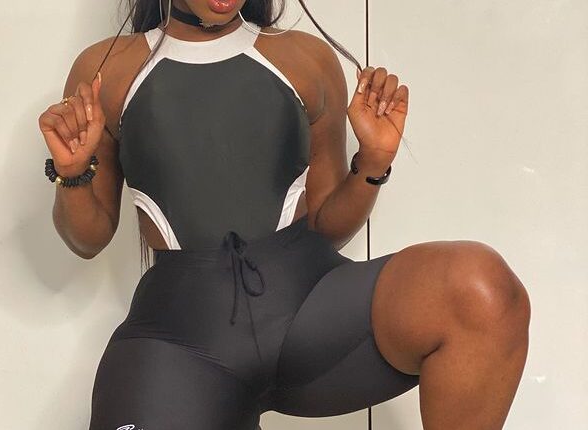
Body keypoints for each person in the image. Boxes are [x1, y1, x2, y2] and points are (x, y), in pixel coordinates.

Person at [38, 1, 532, 429]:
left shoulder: (304, 58)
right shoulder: (108, 69)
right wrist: (73, 172)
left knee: (481, 290)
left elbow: (328, 226)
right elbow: (87, 238)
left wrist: (373, 162)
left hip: (312, 313)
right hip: (179, 341)